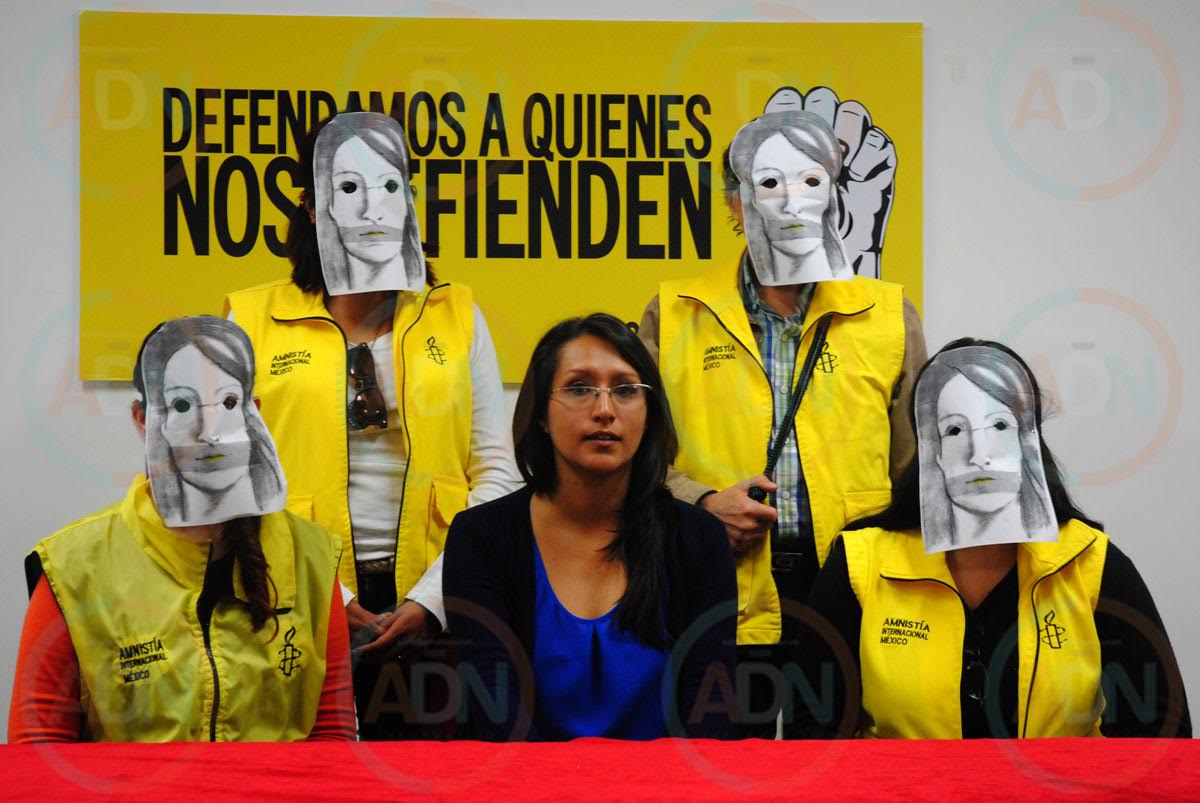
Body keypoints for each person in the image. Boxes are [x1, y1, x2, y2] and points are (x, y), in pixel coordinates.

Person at [225, 111, 520, 739]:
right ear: (312, 205)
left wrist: (434, 598)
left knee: (434, 774)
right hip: (295, 598)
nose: (373, 206)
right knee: (311, 772)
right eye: (348, 186)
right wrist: (327, 598)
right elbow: (235, 482)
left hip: (440, 600)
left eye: (391, 185)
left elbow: (496, 470)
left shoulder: (456, 313)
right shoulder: (249, 321)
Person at [639, 97, 926, 735]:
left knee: (841, 764)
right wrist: (701, 502)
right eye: (768, 184)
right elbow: (637, 457)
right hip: (720, 584)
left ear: (835, 195)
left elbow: (917, 470)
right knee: (719, 764)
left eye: (812, 181)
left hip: (853, 590)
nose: (793, 202)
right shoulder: (674, 313)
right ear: (735, 206)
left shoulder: (888, 315)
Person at [796, 339, 1192, 739]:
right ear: (932, 451)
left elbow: (1161, 734)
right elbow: (812, 732)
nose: (979, 454)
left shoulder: (1092, 562)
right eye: (954, 430)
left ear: (1029, 441)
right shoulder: (859, 564)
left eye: (1000, 425)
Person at [8, 317, 353, 742]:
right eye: (183, 406)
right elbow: (38, 748)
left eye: (229, 402)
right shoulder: (73, 567)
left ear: (253, 414)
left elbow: (332, 737)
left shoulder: (312, 556)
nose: (209, 433)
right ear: (143, 419)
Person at [443, 314, 737, 740]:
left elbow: (710, 712)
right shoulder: (481, 537)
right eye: (579, 388)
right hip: (523, 777)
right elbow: (495, 711)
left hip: (670, 778)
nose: (604, 410)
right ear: (541, 415)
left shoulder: (699, 538)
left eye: (625, 390)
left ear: (649, 412)